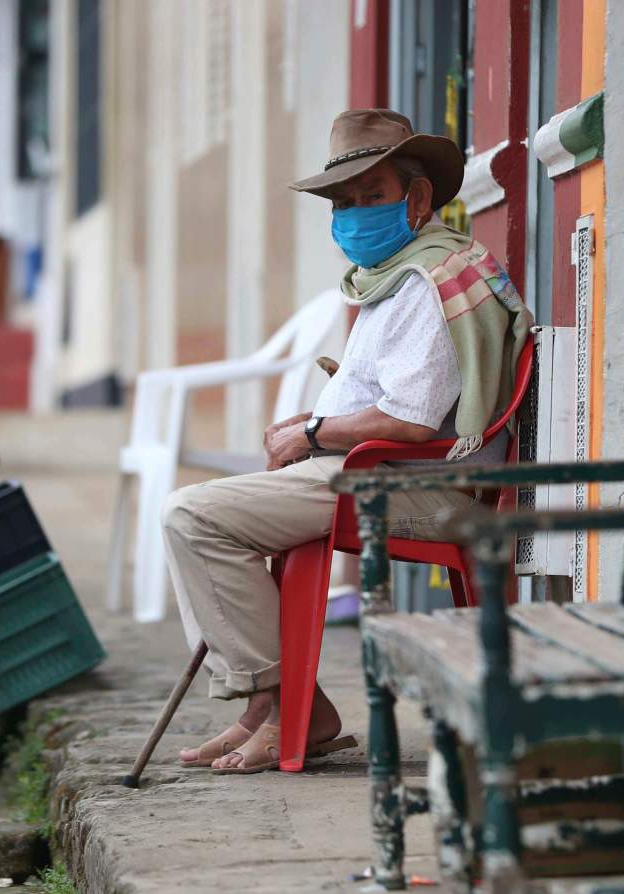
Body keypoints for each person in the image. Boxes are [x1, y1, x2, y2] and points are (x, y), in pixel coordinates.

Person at [164, 109, 532, 773]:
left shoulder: (430, 280)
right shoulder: (394, 275)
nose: (356, 214)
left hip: (410, 483)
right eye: (345, 201)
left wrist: (311, 432)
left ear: (417, 198)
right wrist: (312, 428)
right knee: (206, 513)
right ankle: (266, 711)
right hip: (363, 468)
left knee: (193, 517)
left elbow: (413, 421)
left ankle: (284, 705)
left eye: (374, 196)